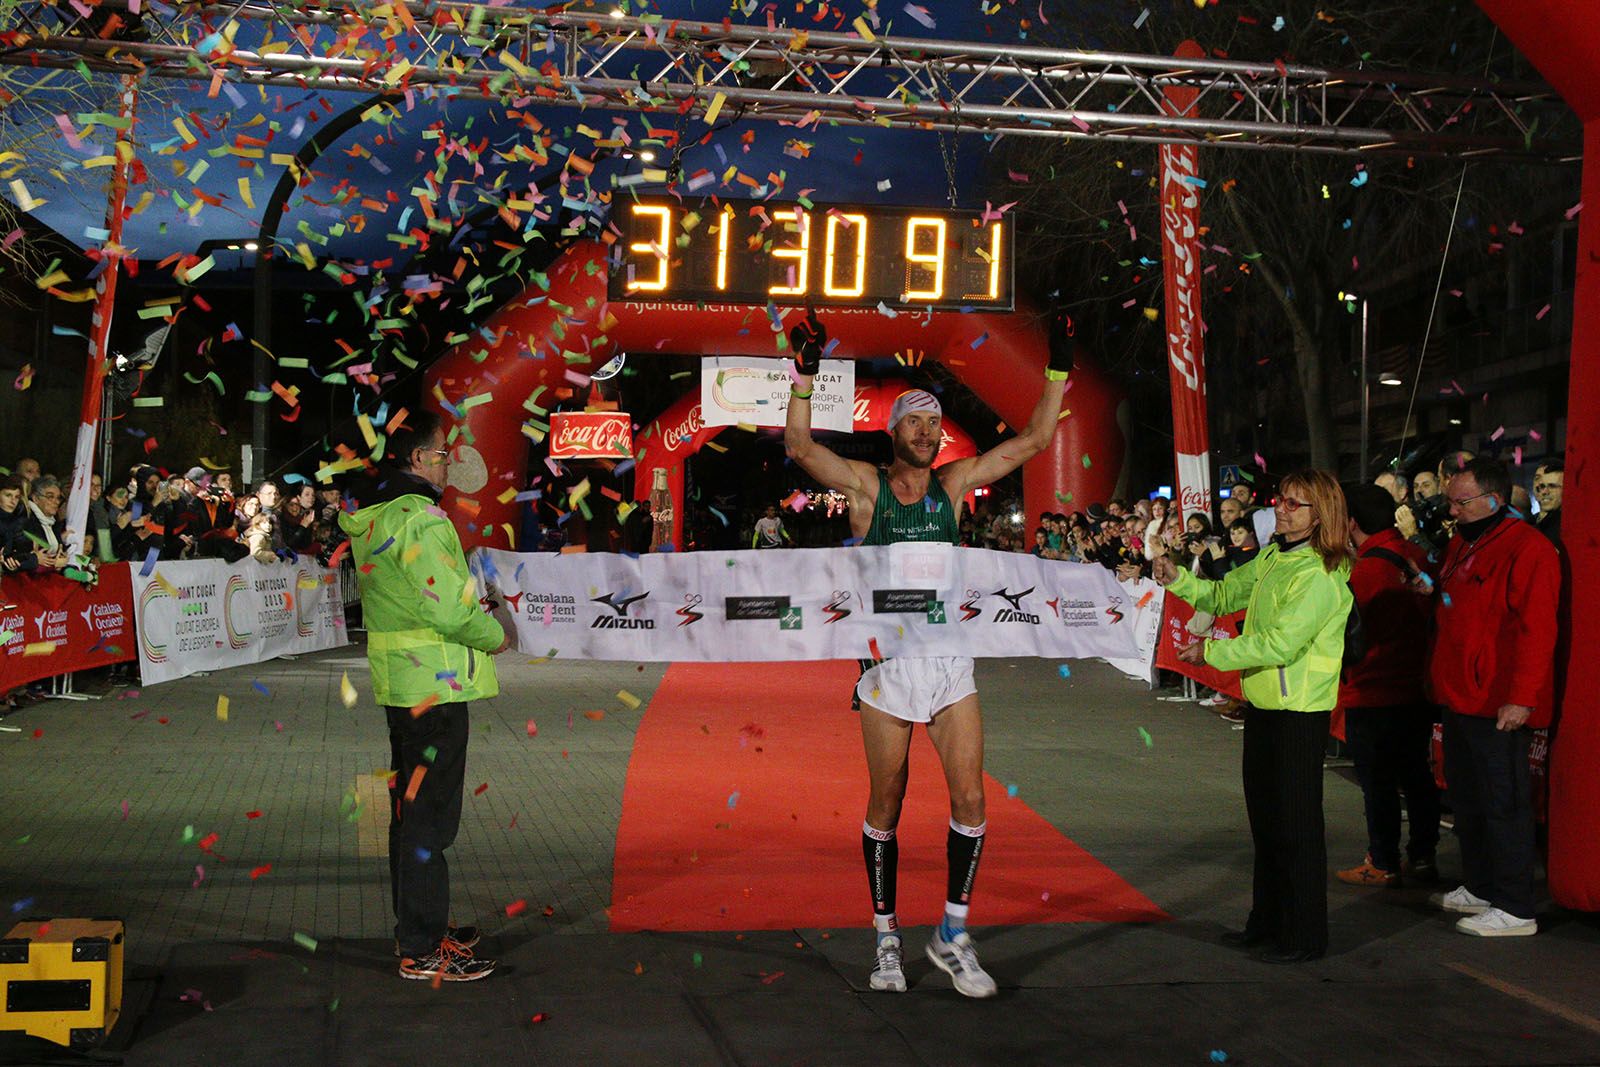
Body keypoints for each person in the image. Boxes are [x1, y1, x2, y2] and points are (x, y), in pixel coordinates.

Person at [784, 306, 1070, 999]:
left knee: (971, 797)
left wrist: (1056, 369)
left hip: (950, 661)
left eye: (934, 423)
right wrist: (804, 373)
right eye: (914, 420)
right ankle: (887, 936)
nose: (926, 430)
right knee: (888, 799)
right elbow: (798, 445)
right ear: (893, 429)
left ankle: (952, 932)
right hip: (887, 667)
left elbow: (1035, 438)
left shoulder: (954, 484)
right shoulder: (867, 486)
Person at [1148, 470, 1353, 963]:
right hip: (1263, 705)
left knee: (1297, 827)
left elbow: (1282, 642)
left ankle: (1304, 935)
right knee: (1266, 822)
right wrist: (1178, 578)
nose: (1281, 509)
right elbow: (1221, 597)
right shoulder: (1272, 557)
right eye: (1281, 500)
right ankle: (1266, 922)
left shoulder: (1321, 573)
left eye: (1295, 505)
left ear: (1321, 515)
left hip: (1299, 713)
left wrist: (1211, 653)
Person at [338, 411, 512, 981]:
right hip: (435, 687)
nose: (447, 462)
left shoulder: (377, 517)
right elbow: (447, 608)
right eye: (441, 454)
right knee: (429, 821)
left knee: (411, 815)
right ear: (417, 459)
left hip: (402, 683)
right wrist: (497, 635)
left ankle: (420, 928)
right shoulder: (423, 521)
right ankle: (422, 945)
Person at [1425, 458, 1559, 937]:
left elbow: (1537, 631)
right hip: (1461, 695)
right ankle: (1482, 886)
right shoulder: (1463, 542)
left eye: (1461, 501)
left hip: (1497, 702)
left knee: (1505, 803)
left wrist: (1521, 698)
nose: (1452, 509)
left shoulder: (1529, 549)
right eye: (1450, 500)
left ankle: (1516, 905)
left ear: (1493, 500)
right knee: (1469, 798)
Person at [1333, 484, 1439, 889]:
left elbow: (1353, 637)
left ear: (1352, 523)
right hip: (1416, 686)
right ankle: (1423, 855)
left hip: (1375, 688)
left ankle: (1383, 859)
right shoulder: (1415, 555)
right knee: (1416, 775)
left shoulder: (1366, 572)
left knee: (1378, 782)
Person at [1532, 458, 1562, 544]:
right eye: (1541, 485)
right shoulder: (1527, 522)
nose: (1544, 491)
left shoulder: (1568, 528)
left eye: (1552, 486)